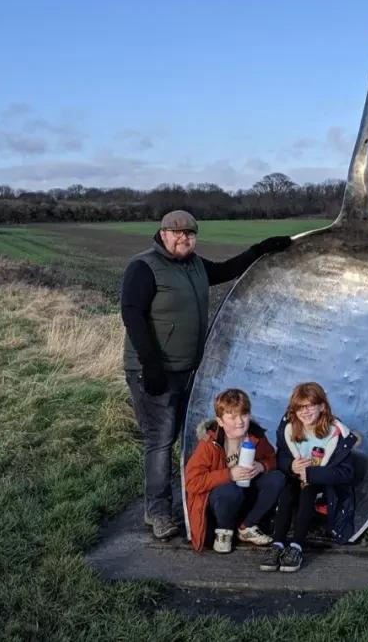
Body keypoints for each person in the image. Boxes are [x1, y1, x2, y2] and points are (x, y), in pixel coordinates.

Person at [121, 210, 292, 540]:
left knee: (189, 437)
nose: (184, 238)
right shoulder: (144, 266)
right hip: (153, 371)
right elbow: (132, 315)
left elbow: (225, 270)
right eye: (177, 233)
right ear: (163, 234)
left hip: (189, 370)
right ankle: (157, 511)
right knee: (160, 440)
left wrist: (258, 250)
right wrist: (150, 364)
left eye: (190, 234)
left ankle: (196, 495)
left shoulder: (195, 266)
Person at [262, 381, 360, 573]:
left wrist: (311, 474)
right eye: (300, 407)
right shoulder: (289, 428)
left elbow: (346, 473)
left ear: (322, 406)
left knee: (308, 492)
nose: (305, 412)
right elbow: (280, 457)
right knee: (286, 491)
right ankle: (278, 544)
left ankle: (297, 546)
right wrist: (290, 466)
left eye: (310, 406)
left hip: (322, 483)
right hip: (295, 477)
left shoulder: (337, 434)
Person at [184, 388, 285, 553]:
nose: (240, 421)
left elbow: (272, 458)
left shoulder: (255, 436)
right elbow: (192, 482)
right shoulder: (209, 444)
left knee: (277, 478)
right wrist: (229, 474)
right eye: (232, 417)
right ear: (221, 421)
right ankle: (224, 532)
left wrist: (262, 466)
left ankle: (247, 526)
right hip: (221, 500)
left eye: (244, 415)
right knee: (230, 490)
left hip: (247, 492)